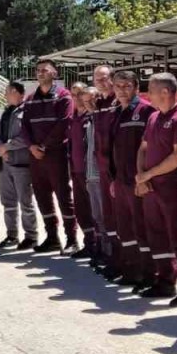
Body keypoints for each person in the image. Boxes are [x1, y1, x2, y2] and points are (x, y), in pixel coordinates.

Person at [135, 73, 177, 306]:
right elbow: (143, 148)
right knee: (157, 235)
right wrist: (141, 179)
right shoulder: (153, 117)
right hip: (152, 188)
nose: (148, 95)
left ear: (164, 92)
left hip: (174, 188)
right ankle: (165, 281)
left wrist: (148, 175)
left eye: (150, 90)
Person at [21, 59, 78, 252]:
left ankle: (72, 239)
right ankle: (52, 238)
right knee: (42, 197)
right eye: (38, 70)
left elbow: (64, 123)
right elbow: (24, 127)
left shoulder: (64, 97)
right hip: (36, 158)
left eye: (44, 70)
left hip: (56, 156)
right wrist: (31, 147)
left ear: (55, 73)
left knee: (64, 197)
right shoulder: (29, 99)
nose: (40, 73)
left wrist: (43, 146)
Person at [106, 70, 156, 289]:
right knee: (125, 229)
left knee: (142, 229)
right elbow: (112, 149)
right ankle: (131, 271)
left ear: (136, 86)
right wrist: (113, 179)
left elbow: (152, 148)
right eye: (118, 86)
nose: (122, 90)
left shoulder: (146, 111)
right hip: (121, 181)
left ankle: (149, 275)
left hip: (139, 181)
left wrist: (144, 178)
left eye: (127, 86)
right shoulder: (116, 111)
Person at [0, 80, 39, 250]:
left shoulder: (28, 111)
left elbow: (26, 136)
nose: (5, 95)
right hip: (6, 164)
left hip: (21, 164)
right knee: (8, 202)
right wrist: (0, 149)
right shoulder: (6, 112)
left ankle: (31, 236)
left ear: (17, 92)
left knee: (25, 202)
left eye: (7, 91)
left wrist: (7, 147)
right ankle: (12, 234)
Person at [90, 65, 120, 273]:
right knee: (107, 214)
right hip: (103, 169)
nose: (101, 82)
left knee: (120, 216)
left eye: (104, 78)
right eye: (97, 79)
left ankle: (122, 259)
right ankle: (111, 255)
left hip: (118, 169)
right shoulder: (99, 104)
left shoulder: (118, 102)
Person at [74, 82, 108, 262]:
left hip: (102, 176)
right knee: (96, 217)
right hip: (90, 175)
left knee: (105, 217)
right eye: (85, 101)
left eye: (92, 100)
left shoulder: (105, 119)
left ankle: (109, 254)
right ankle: (101, 252)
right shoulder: (88, 120)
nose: (89, 104)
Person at [68, 83, 99, 257]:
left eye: (80, 94)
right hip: (76, 171)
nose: (77, 97)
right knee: (82, 210)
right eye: (74, 94)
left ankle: (99, 246)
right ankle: (89, 243)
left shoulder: (93, 117)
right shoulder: (72, 118)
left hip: (92, 173)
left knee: (96, 211)